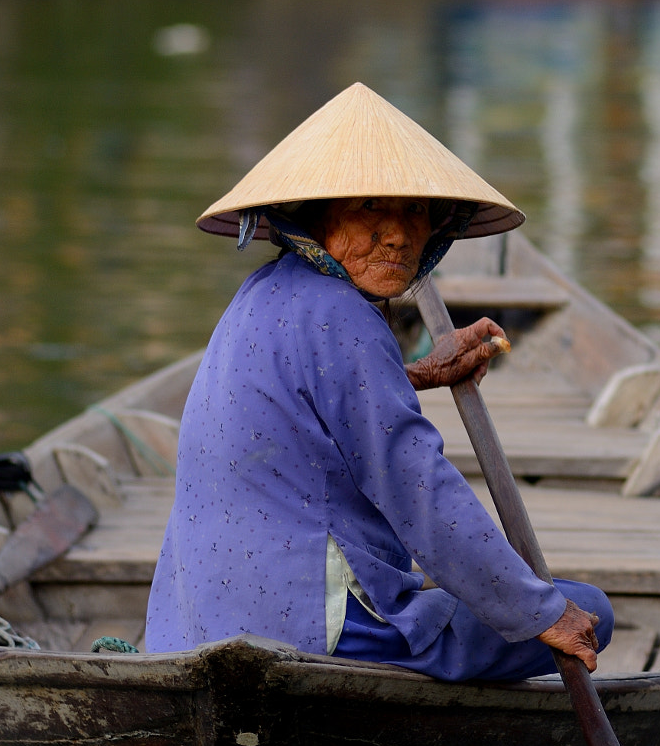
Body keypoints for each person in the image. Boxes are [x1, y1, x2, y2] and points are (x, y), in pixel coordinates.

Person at [143, 82, 611, 681]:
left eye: (414, 211)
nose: (396, 235)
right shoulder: (342, 314)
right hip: (313, 634)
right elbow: (418, 489)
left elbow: (313, 399)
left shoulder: (259, 295)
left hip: (192, 628)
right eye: (369, 208)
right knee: (589, 610)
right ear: (316, 216)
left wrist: (413, 374)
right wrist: (541, 611)